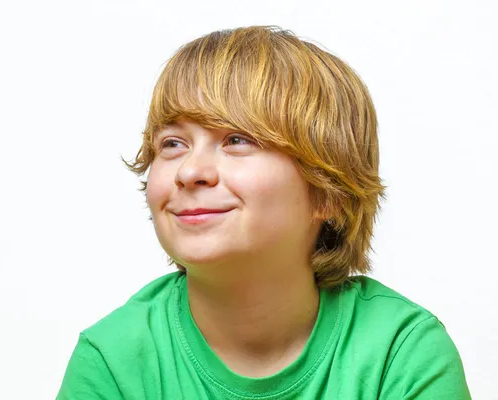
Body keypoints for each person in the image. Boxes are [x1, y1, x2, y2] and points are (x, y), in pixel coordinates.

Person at [56, 25, 471, 399]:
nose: (190, 171)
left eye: (237, 139)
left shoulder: (400, 353)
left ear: (329, 192)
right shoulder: (112, 359)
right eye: (172, 143)